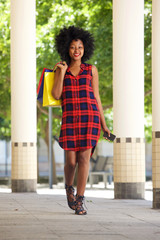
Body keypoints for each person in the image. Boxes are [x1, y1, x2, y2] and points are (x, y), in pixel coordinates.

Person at [52, 26, 111, 215]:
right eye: (72, 47)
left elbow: (97, 97)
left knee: (84, 158)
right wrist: (60, 73)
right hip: (69, 119)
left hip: (89, 119)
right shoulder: (61, 69)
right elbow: (56, 94)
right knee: (70, 162)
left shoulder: (91, 70)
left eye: (80, 47)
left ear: (85, 49)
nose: (76, 51)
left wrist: (104, 124)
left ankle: (80, 200)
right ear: (66, 49)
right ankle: (69, 188)